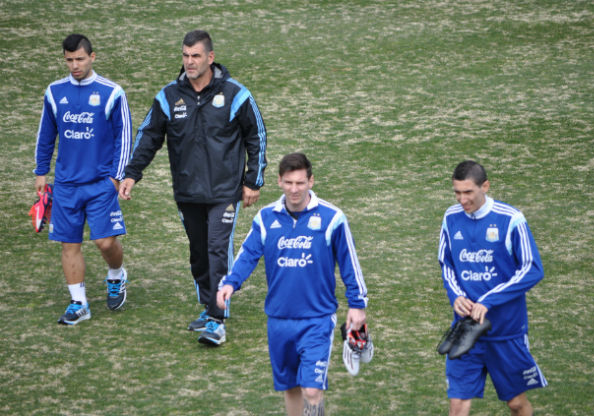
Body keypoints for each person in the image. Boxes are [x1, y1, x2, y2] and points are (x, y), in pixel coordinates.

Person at [119, 30, 267, 345]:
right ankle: (208, 304)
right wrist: (132, 173)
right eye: (185, 56)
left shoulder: (235, 94)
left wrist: (253, 179)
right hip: (187, 191)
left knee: (217, 250)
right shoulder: (169, 96)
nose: (189, 62)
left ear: (210, 58)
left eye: (196, 56)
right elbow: (149, 136)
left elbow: (257, 135)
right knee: (198, 253)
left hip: (224, 191)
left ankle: (217, 319)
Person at [217, 152, 368, 416]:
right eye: (288, 183)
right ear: (279, 181)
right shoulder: (265, 218)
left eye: (300, 183)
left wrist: (357, 304)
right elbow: (248, 253)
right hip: (279, 319)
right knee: (291, 388)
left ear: (311, 181)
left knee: (312, 389)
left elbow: (350, 264)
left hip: (317, 319)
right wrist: (231, 282)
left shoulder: (333, 219)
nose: (294, 189)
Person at [34, 34, 132, 325]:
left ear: (92, 57)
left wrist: (116, 179)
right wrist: (41, 172)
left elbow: (124, 137)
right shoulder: (54, 92)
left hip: (101, 183)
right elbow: (45, 135)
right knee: (69, 244)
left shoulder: (111, 92)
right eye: (69, 60)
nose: (74, 65)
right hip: (65, 185)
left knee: (104, 242)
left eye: (79, 59)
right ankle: (79, 303)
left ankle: (116, 275)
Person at [438, 160, 548, 416]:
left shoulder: (511, 219)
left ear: (485, 186)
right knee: (458, 405)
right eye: (457, 192)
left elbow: (532, 269)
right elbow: (447, 263)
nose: (462, 199)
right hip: (465, 332)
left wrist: (488, 300)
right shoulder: (451, 217)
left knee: (516, 404)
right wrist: (456, 295)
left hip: (505, 331)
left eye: (468, 192)